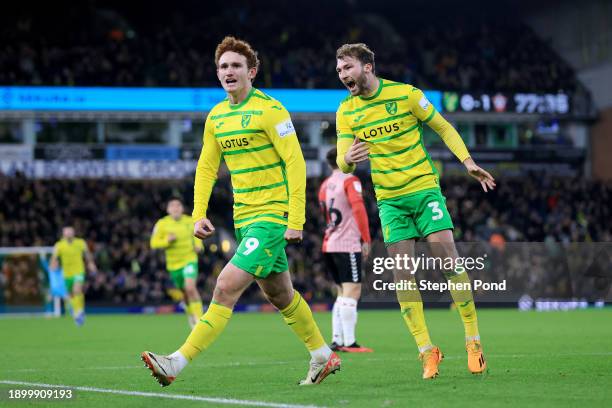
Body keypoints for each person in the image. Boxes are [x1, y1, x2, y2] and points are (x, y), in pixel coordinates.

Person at [141, 36, 340, 387]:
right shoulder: (216, 116)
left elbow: (295, 162)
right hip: (244, 219)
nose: (229, 71)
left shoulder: (271, 109)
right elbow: (206, 167)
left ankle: (176, 362)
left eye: (235, 66)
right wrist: (198, 212)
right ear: (217, 74)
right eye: (223, 66)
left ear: (251, 71)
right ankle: (322, 354)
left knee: (224, 287)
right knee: (280, 295)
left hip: (272, 216)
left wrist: (296, 219)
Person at [335, 43, 495, 379]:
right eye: (339, 70)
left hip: (423, 190)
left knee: (447, 257)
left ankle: (473, 340)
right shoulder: (346, 111)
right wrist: (348, 158)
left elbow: (444, 127)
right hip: (390, 201)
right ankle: (427, 351)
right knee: (402, 275)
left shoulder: (406, 95)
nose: (343, 74)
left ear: (367, 67)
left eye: (347, 67)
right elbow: (341, 162)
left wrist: (468, 163)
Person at [319, 147, 373, 352]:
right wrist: (365, 239)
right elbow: (358, 208)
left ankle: (337, 340)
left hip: (329, 243)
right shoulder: (350, 180)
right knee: (352, 291)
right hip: (346, 243)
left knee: (342, 292)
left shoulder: (325, 185)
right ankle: (350, 342)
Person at [150, 197, 204, 328]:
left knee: (190, 287)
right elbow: (153, 243)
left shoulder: (190, 221)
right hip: (173, 264)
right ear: (168, 209)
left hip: (189, 259)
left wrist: (199, 246)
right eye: (172, 206)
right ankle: (191, 314)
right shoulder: (161, 224)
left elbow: (197, 236)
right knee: (184, 293)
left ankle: (200, 321)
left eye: (178, 205)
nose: (175, 208)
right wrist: (167, 240)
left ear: (182, 208)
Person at [50, 225, 97, 326]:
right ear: (63, 234)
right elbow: (54, 258)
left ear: (74, 233)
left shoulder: (80, 242)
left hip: (79, 271)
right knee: (71, 295)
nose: (69, 233)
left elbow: (87, 254)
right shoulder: (59, 245)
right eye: (67, 232)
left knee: (77, 290)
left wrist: (91, 264)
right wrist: (53, 264)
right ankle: (76, 312)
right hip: (67, 274)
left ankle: (79, 311)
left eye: (70, 232)